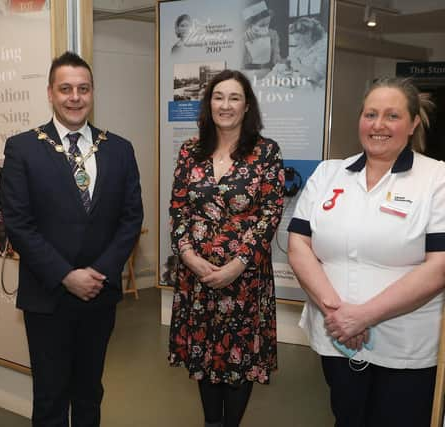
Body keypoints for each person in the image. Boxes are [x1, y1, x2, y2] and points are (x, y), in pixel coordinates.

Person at [287, 77, 443, 427]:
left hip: (405, 344)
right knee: (348, 416)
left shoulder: (437, 179)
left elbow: (440, 265)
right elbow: (299, 245)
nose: (378, 125)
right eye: (370, 114)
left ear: (414, 122)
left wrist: (365, 315)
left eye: (392, 116)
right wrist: (339, 314)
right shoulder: (330, 173)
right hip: (337, 336)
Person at [1, 51, 143, 427]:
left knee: (89, 392)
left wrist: (100, 271)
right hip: (48, 297)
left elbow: (131, 219)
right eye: (65, 89)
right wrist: (67, 275)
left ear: (93, 93)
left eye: (83, 89)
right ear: (50, 93)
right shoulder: (23, 148)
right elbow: (18, 222)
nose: (75, 97)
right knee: (49, 396)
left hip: (99, 294)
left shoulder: (119, 148)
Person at [168, 69, 284, 427]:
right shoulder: (190, 150)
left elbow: (270, 212)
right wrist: (189, 257)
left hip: (244, 281)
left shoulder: (266, 152)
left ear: (247, 106)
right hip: (197, 279)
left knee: (236, 360)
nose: (225, 105)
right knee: (205, 357)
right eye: (218, 97)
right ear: (209, 104)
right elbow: (179, 208)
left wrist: (239, 263)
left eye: (234, 98)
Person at [242, 1, 282, 71]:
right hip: (250, 72)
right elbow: (241, 63)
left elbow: (276, 54)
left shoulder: (273, 34)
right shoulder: (244, 38)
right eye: (262, 25)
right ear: (251, 25)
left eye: (268, 23)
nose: (266, 27)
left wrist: (277, 58)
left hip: (269, 71)